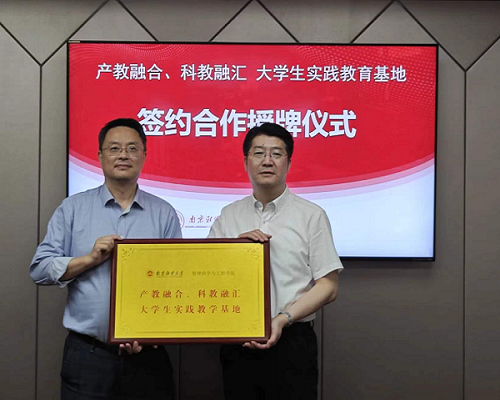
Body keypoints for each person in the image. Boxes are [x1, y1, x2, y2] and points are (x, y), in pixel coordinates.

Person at [30, 118, 181, 400]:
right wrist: (89, 259)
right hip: (88, 356)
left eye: (132, 148)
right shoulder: (72, 209)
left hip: (148, 356)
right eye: (114, 148)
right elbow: (39, 269)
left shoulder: (164, 213)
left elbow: (176, 281)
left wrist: (150, 333)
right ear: (100, 156)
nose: (123, 155)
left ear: (144, 155)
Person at [208, 122, 343, 399]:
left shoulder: (311, 215)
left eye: (276, 154)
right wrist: (234, 249)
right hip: (238, 341)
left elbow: (328, 286)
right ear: (246, 162)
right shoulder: (228, 215)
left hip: (293, 341)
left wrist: (282, 320)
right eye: (259, 153)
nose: (267, 161)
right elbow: (207, 274)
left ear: (288, 163)